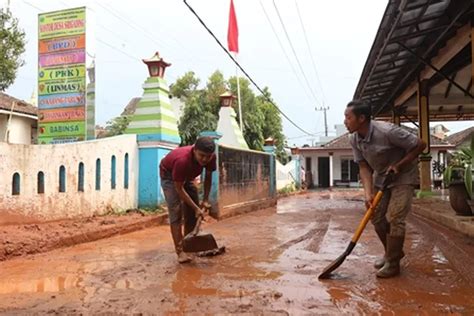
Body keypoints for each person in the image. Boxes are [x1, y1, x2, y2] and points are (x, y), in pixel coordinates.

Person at [344, 100, 426, 278]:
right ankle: (391, 252)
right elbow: (364, 166)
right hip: (381, 176)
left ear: (362, 118)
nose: (345, 121)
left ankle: (393, 264)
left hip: (403, 175)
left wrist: (400, 165)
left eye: (348, 117)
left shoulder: (387, 131)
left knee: (395, 217)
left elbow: (420, 145)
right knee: (377, 216)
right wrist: (368, 193)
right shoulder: (354, 139)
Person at [160, 136, 216, 263]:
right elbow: (179, 188)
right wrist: (197, 209)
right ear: (194, 150)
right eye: (201, 155)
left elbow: (208, 176)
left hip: (187, 176)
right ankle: (180, 251)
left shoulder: (211, 158)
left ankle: (189, 245)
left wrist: (205, 200)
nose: (204, 159)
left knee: (192, 212)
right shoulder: (182, 160)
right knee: (176, 211)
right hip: (169, 176)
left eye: (208, 156)